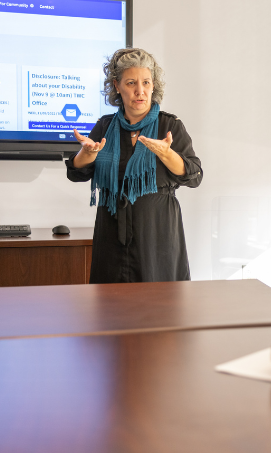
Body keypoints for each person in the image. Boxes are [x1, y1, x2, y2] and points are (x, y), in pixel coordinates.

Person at [66, 48, 202, 283]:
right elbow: (77, 173)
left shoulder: (169, 125)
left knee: (160, 309)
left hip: (157, 234)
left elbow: (194, 176)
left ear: (153, 86)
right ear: (117, 86)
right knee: (110, 308)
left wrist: (167, 154)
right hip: (111, 233)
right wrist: (87, 153)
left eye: (146, 83)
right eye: (131, 83)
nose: (140, 91)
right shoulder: (105, 126)